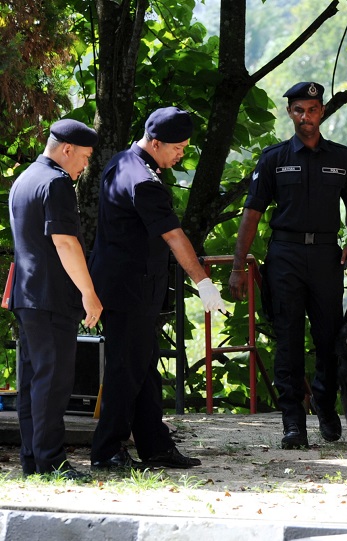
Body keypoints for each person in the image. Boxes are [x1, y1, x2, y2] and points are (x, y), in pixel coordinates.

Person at [228, 82, 347, 450]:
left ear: (322, 112)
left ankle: (325, 405)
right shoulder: (274, 158)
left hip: (326, 256)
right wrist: (238, 266)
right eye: (299, 110)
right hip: (284, 256)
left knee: (328, 337)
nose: (307, 117)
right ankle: (293, 422)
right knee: (287, 340)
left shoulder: (342, 157)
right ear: (290, 113)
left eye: (313, 109)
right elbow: (252, 213)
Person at [88, 107, 225, 470]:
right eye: (178, 147)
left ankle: (155, 445)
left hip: (125, 285)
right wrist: (203, 281)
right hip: (130, 289)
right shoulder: (144, 180)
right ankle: (107, 450)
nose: (181, 154)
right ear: (157, 142)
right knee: (125, 369)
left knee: (145, 368)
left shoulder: (121, 161)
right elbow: (174, 236)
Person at [8, 119, 102, 481]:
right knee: (54, 382)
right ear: (67, 150)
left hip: (26, 295)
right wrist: (89, 293)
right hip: (50, 297)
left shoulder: (25, 178)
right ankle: (51, 462)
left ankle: (34, 459)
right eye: (85, 156)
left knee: (34, 381)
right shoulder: (57, 183)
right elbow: (65, 242)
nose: (85, 165)